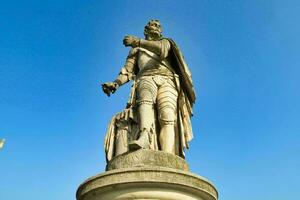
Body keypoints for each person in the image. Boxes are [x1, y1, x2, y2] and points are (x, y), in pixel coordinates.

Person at [102, 20, 195, 160]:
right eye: (152, 25)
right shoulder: (136, 50)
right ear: (146, 30)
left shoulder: (166, 42)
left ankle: (168, 155)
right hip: (145, 78)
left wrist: (138, 41)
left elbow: (162, 51)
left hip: (168, 80)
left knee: (168, 116)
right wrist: (115, 84)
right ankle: (144, 136)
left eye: (158, 25)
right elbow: (127, 72)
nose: (156, 27)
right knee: (145, 101)